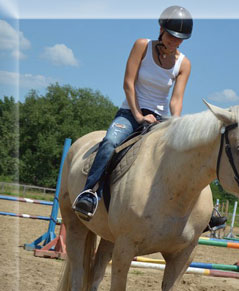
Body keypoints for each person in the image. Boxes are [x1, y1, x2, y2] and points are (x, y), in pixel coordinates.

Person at [73, 5, 193, 221]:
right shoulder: (142, 46)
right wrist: (138, 116)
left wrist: (176, 123)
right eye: (171, 36)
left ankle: (195, 211)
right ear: (161, 29)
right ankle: (90, 193)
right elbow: (128, 83)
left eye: (179, 39)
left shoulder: (184, 64)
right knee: (110, 142)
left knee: (186, 152)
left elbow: (176, 100)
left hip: (160, 119)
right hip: (131, 111)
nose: (174, 42)